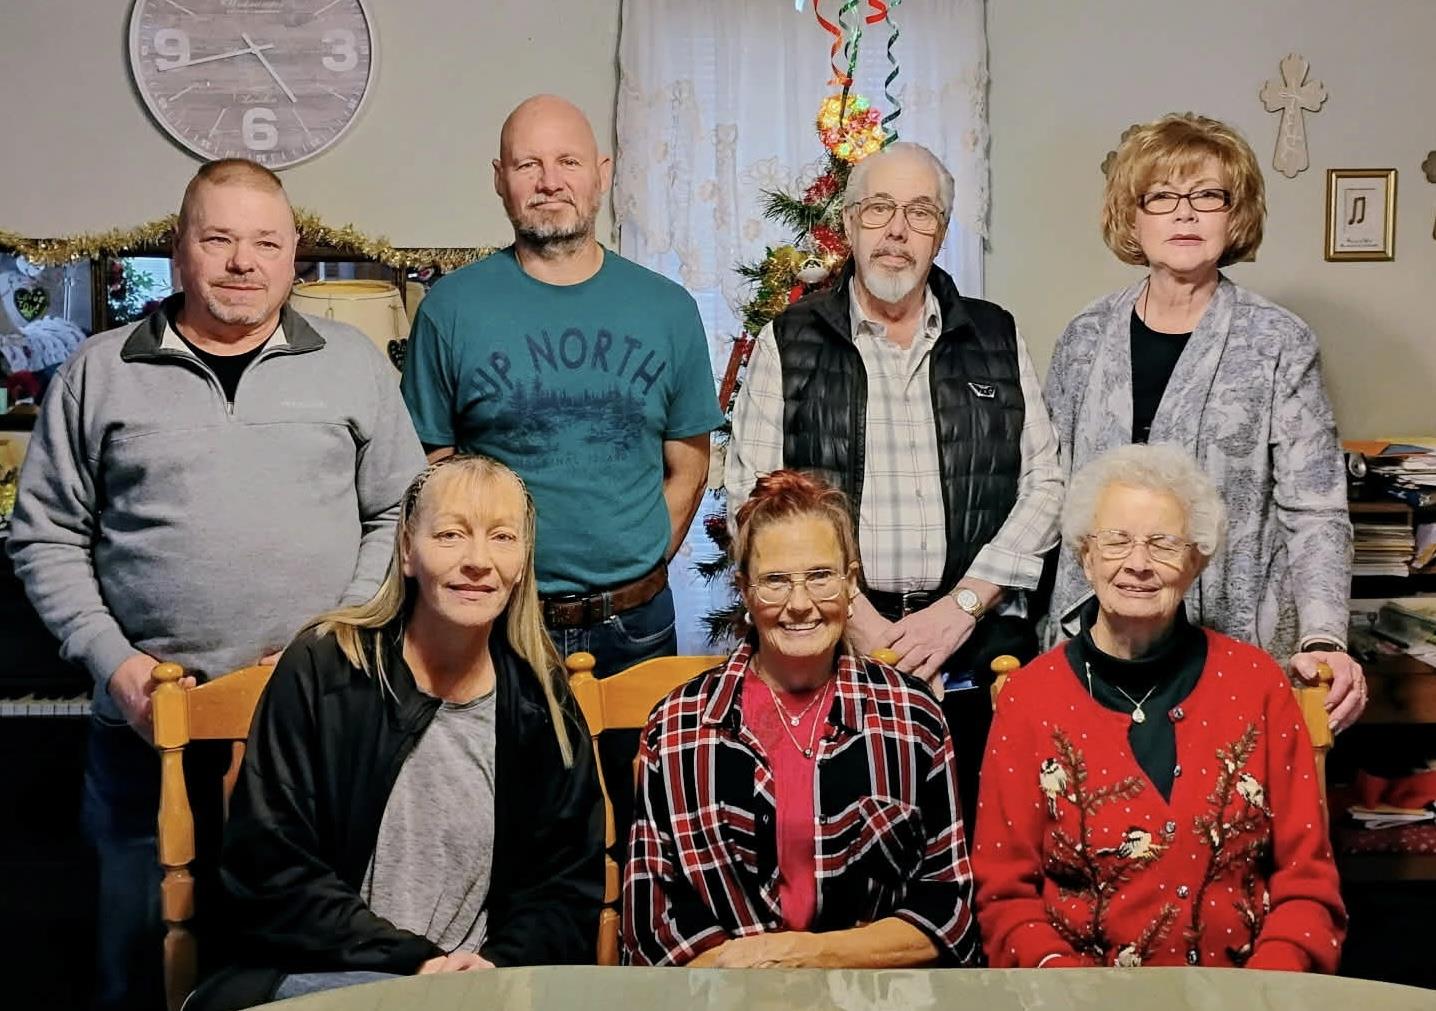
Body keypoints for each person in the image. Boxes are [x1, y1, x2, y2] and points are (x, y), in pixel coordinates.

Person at [6, 158, 426, 1010]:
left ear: (294, 253)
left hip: (311, 723)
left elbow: (399, 513)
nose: (244, 261)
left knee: (307, 968)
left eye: (266, 242)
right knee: (135, 967)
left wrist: (330, 642)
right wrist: (113, 663)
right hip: (142, 729)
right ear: (179, 247)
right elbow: (44, 532)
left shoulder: (352, 366)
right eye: (220, 238)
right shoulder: (99, 370)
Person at [726, 141, 1063, 834]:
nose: (897, 230)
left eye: (919, 212)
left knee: (978, 843)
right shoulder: (789, 341)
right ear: (847, 225)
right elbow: (752, 508)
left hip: (977, 651)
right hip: (829, 645)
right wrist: (864, 627)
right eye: (879, 208)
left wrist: (961, 608)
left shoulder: (996, 336)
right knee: (841, 847)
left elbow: (1045, 484)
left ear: (941, 231)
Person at [192, 455, 603, 1010]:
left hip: (481, 987)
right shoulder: (323, 668)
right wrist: (418, 964)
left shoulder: (542, 700)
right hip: (326, 973)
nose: (478, 561)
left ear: (523, 559)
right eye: (451, 534)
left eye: (502, 537)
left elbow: (563, 889)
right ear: (408, 550)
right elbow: (271, 871)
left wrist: (491, 970)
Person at [1044, 112, 1365, 731]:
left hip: (1234, 635)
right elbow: (1051, 489)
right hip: (1098, 633)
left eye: (1207, 195)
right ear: (1132, 217)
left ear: (1234, 213)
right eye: (1161, 196)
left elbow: (1317, 508)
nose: (1185, 214)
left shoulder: (1279, 341)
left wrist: (1325, 636)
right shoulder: (1085, 336)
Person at [973, 443, 1346, 970]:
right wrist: (1072, 996)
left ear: (1196, 560)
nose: (1139, 564)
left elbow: (1307, 884)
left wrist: (1265, 995)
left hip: (1244, 1000)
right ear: (1085, 554)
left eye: (1164, 544)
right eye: (1116, 540)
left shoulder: (1257, 684)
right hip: (1080, 1004)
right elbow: (1003, 897)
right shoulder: (1029, 700)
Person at [401, 94, 723, 674]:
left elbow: (690, 468)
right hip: (496, 624)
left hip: (636, 624)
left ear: (602, 174)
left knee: (633, 769)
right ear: (500, 181)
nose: (550, 182)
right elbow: (431, 474)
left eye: (568, 162)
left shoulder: (667, 309)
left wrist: (639, 567)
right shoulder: (449, 310)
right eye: (528, 165)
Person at [624, 470, 978, 968]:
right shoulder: (679, 725)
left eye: (820, 576)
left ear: (851, 582)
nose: (800, 604)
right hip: (723, 1000)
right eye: (775, 581)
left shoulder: (912, 716)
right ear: (745, 592)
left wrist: (809, 954)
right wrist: (747, 986)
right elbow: (650, 922)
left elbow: (950, 909)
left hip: (874, 995)